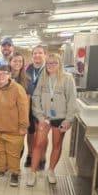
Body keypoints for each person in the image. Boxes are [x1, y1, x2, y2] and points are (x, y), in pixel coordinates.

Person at [27, 53, 78, 186]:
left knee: (57, 145)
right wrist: (39, 116)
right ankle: (33, 172)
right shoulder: (43, 78)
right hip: (44, 117)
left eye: (54, 63)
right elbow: (36, 97)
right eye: (48, 63)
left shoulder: (67, 78)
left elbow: (72, 101)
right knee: (38, 144)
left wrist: (68, 120)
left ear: (59, 64)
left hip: (60, 118)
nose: (50, 66)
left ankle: (51, 171)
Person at [0, 65, 29, 187]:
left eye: (4, 73)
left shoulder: (17, 88)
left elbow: (23, 108)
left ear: (9, 75)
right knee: (0, 152)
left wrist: (23, 126)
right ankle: (0, 170)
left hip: (14, 130)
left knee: (13, 154)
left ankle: (15, 173)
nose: (0, 76)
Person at [25, 45, 47, 170]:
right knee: (31, 132)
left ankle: (42, 157)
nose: (37, 55)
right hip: (29, 104)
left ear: (44, 55)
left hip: (43, 106)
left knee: (42, 133)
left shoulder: (48, 69)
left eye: (40, 53)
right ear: (32, 55)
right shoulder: (28, 68)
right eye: (35, 53)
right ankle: (30, 155)